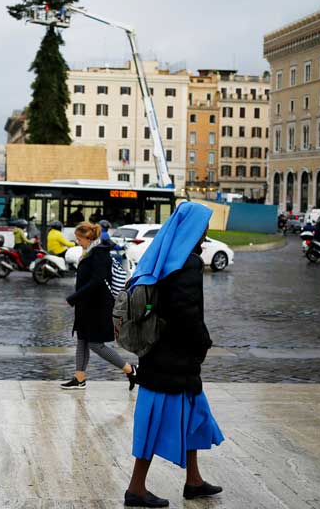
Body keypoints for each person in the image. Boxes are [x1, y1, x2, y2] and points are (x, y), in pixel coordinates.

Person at [123, 201, 224, 508]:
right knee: (154, 422)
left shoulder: (166, 257)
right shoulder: (188, 263)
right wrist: (203, 342)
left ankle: (193, 480)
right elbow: (186, 313)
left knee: (194, 414)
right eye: (205, 224)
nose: (207, 230)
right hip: (174, 358)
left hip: (159, 354)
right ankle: (136, 488)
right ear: (195, 228)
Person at [61, 222, 136, 391]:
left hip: (98, 307)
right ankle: (79, 378)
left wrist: (73, 298)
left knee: (96, 344)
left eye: (79, 239)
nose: (78, 242)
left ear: (88, 238)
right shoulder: (90, 252)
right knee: (82, 340)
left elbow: (97, 281)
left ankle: (130, 370)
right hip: (87, 305)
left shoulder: (99, 254)